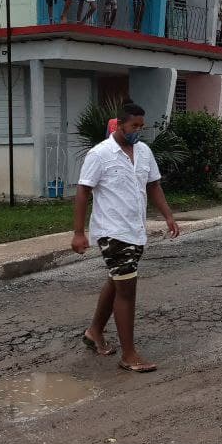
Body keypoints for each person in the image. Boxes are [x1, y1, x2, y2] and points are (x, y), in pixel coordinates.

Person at [73, 102, 180, 373]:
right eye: (134, 126)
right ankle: (129, 355)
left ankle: (94, 331)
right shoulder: (100, 154)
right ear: (120, 124)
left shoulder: (144, 151)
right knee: (127, 289)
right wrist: (78, 232)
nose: (138, 131)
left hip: (136, 231)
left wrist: (168, 216)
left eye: (141, 127)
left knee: (117, 280)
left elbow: (153, 185)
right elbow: (83, 191)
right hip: (112, 232)